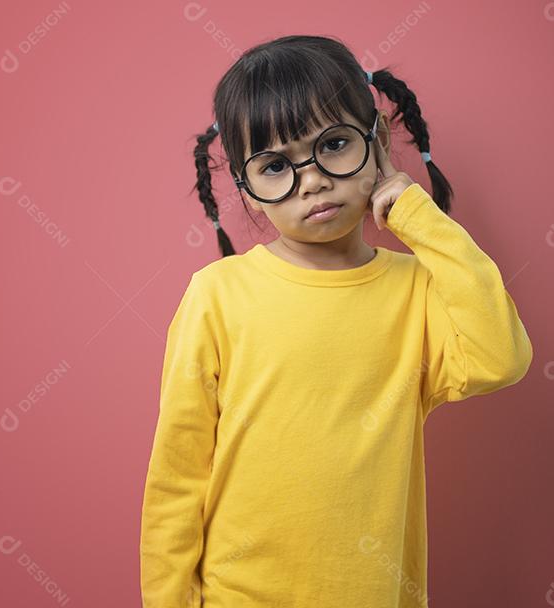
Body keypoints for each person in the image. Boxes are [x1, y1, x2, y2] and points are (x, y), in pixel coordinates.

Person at [139, 34, 533, 607]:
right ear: (247, 186)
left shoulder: (416, 288)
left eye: (334, 144)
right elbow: (177, 478)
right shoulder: (216, 297)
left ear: (375, 141)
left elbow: (502, 358)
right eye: (275, 165)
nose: (314, 180)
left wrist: (420, 219)